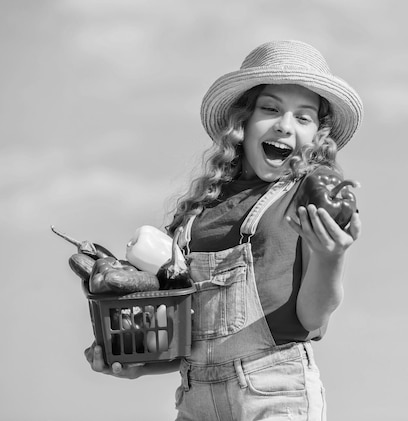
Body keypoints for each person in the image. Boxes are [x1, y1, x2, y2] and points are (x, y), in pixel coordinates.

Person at [85, 39, 363, 420]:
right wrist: (140, 364)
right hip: (196, 400)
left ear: (316, 134)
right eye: (270, 109)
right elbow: (188, 339)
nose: (285, 126)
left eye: (303, 117)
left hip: (275, 394)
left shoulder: (303, 196)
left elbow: (313, 318)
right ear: (243, 121)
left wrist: (332, 257)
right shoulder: (196, 216)